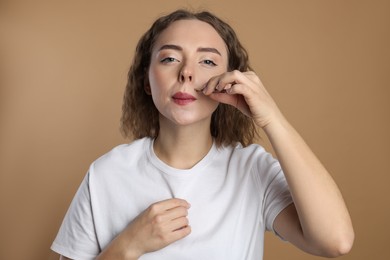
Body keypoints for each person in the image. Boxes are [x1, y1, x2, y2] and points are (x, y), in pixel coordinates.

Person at [51, 9, 354, 260]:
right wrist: (128, 245)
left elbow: (336, 241)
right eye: (169, 58)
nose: (187, 72)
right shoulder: (105, 175)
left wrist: (271, 117)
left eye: (207, 61)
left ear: (231, 80)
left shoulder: (251, 170)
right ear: (146, 80)